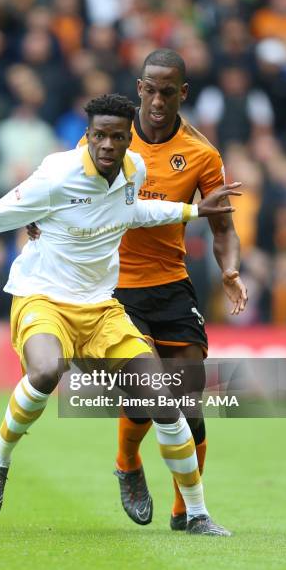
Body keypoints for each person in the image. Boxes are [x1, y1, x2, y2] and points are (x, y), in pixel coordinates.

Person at [0, 94, 240, 536]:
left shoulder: (135, 170)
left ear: (129, 138)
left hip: (100, 307)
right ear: (85, 137)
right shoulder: (56, 175)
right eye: (98, 136)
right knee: (47, 369)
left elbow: (133, 212)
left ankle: (198, 514)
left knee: (163, 400)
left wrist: (192, 211)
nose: (107, 145)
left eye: (116, 137)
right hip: (42, 298)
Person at [72, 49, 248, 531]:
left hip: (172, 285)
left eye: (168, 91)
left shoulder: (201, 154)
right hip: (114, 287)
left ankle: (184, 513)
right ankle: (128, 462)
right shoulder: (112, 140)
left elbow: (222, 227)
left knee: (188, 396)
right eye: (150, 89)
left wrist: (230, 270)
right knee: (150, 394)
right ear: (139, 87)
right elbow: (66, 190)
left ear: (182, 94)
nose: (156, 100)